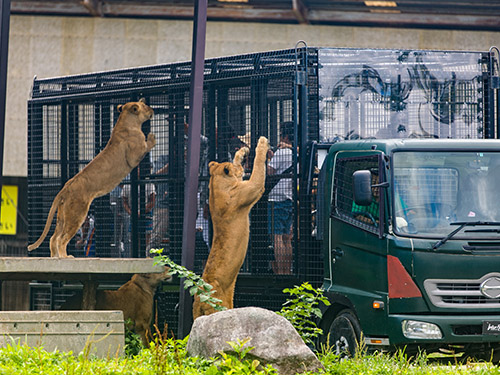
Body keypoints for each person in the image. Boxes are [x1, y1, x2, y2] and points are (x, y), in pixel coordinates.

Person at [267, 121, 295, 275]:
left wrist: (270, 158)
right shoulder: (295, 153)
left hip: (276, 198)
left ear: (284, 135)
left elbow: (270, 172)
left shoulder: (282, 152)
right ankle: (287, 272)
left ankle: (280, 273)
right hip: (290, 197)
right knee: (287, 238)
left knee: (276, 238)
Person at [122, 174, 156, 257]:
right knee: (134, 238)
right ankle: (136, 256)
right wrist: (131, 212)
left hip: (146, 215)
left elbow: (152, 202)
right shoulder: (127, 185)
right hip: (133, 215)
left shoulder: (149, 184)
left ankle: (145, 256)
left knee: (147, 237)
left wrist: (142, 212)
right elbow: (124, 202)